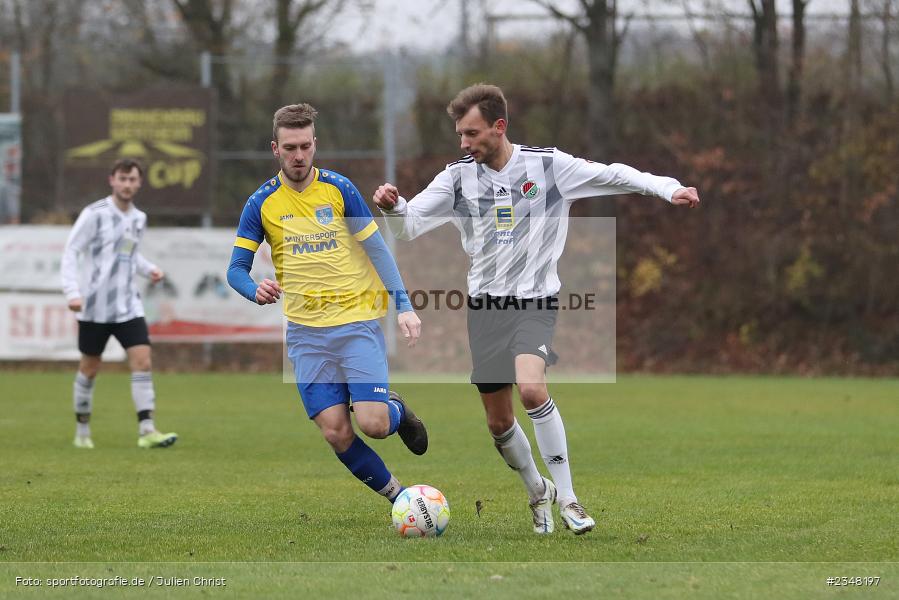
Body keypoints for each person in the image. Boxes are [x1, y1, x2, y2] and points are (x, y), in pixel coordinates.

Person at [373, 84, 700, 535]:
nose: (464, 143)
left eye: (471, 133)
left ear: (499, 126)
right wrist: (394, 207)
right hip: (485, 307)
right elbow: (409, 228)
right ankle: (537, 491)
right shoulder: (455, 178)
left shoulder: (548, 166)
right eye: (459, 135)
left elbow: (614, 174)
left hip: (536, 301)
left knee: (531, 389)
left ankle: (569, 499)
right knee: (499, 422)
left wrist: (668, 189)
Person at [227, 103, 427, 507]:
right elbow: (235, 270)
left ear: (315, 144)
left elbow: (378, 250)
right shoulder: (260, 203)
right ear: (275, 148)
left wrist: (403, 304)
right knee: (336, 431)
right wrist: (254, 289)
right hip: (305, 335)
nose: (298, 156)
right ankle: (401, 499)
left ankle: (397, 412)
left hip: (356, 324)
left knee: (372, 423)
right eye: (289, 148)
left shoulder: (339, 189)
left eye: (305, 146)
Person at [61, 158, 178, 450]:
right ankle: (83, 431)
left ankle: (147, 430)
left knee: (143, 361)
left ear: (139, 183)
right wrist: (72, 292)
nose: (127, 184)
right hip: (94, 308)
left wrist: (149, 268)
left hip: (128, 306)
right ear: (112, 180)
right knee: (89, 368)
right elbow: (71, 251)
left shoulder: (138, 218)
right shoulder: (94, 214)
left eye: (132, 179)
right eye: (122, 179)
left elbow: (129, 254)